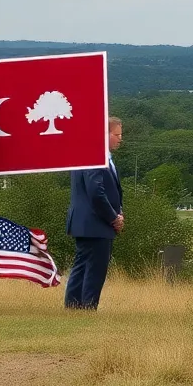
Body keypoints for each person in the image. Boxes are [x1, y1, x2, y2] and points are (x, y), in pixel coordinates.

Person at [65, 117, 125, 310]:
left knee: (82, 265)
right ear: (104, 134)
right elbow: (96, 192)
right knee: (95, 269)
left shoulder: (90, 154)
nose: (120, 139)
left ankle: (74, 306)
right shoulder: (95, 156)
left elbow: (108, 190)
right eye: (116, 135)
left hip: (86, 222)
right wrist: (113, 217)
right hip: (95, 223)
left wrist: (119, 210)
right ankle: (87, 307)